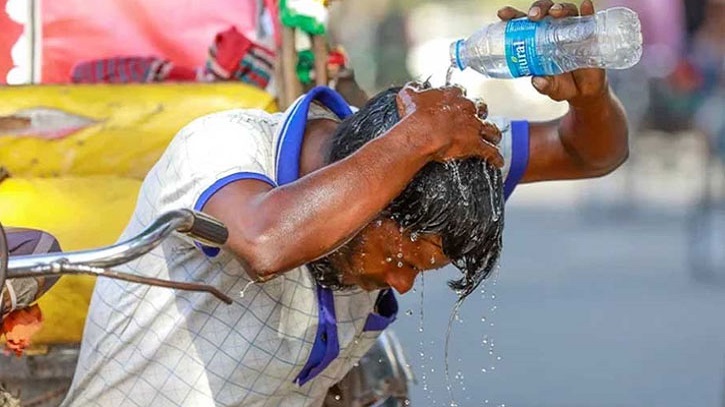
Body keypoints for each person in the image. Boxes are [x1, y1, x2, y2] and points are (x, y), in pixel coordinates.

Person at [62, 1, 629, 406]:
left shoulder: (438, 165)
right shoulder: (222, 148)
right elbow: (265, 242)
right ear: (373, 193)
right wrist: (414, 138)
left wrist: (592, 95)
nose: (402, 286)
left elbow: (589, 154)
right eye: (404, 259)